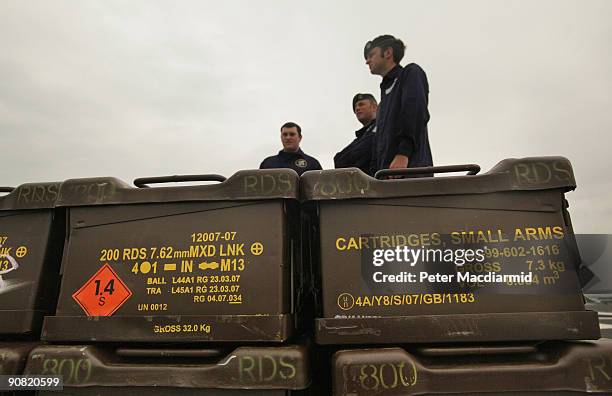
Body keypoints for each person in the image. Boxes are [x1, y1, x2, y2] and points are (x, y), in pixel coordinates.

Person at [364, 34, 433, 174]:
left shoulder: (410, 74)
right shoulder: (383, 104)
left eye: (371, 55)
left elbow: (414, 114)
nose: (367, 61)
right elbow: (379, 145)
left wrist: (403, 154)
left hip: (411, 176)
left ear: (388, 53)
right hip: (386, 179)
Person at [334, 93, 377, 176]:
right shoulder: (361, 137)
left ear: (374, 106)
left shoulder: (382, 129)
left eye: (361, 104)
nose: (357, 108)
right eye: (355, 107)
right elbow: (338, 160)